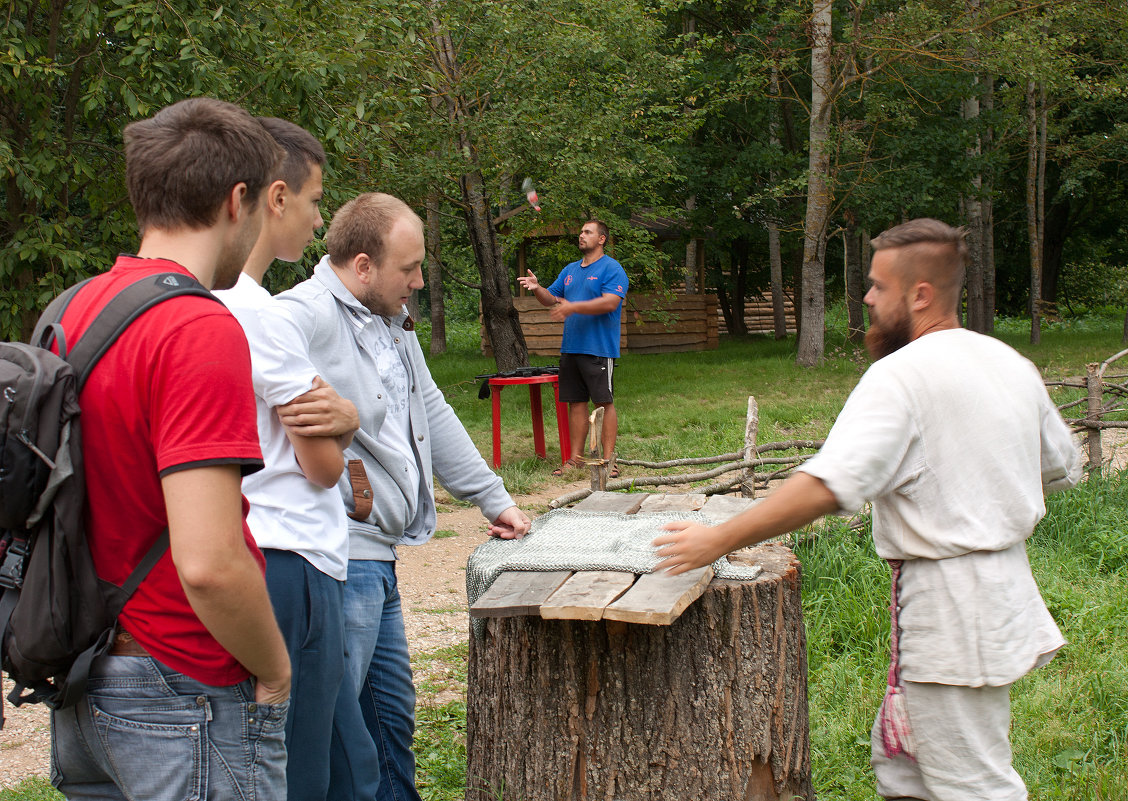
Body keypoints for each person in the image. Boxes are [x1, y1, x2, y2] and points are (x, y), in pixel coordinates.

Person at [653, 218, 1081, 801]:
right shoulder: (1008, 363)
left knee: (973, 785)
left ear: (920, 294)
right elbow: (1059, 467)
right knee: (902, 767)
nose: (867, 299)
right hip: (997, 593)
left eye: (878, 287)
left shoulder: (900, 376)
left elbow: (827, 486)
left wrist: (718, 539)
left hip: (954, 613)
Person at [49, 98, 292, 801]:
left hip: (84, 674)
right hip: (182, 688)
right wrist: (273, 669)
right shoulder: (195, 327)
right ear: (237, 200)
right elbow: (210, 563)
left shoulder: (72, 310)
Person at [261, 192, 532, 801]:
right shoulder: (297, 316)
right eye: (408, 269)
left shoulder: (393, 321)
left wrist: (493, 498)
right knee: (338, 732)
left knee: (389, 724)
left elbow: (430, 410)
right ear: (362, 266)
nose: (417, 281)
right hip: (338, 558)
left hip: (379, 559)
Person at [212, 118, 378, 801]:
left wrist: (343, 413)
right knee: (305, 768)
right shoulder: (261, 315)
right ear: (273, 198)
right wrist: (348, 422)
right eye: (313, 202)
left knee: (341, 757)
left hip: (249, 548)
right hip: (295, 560)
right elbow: (320, 465)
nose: (318, 222)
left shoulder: (192, 302)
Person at [518, 220, 628, 476]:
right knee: (576, 403)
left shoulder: (612, 268)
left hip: (599, 348)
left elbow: (610, 303)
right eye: (581, 232)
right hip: (571, 348)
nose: (581, 235)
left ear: (601, 239)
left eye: (587, 232)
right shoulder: (570, 270)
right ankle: (575, 459)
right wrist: (537, 288)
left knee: (604, 402)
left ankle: (609, 462)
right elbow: (551, 298)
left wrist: (572, 306)